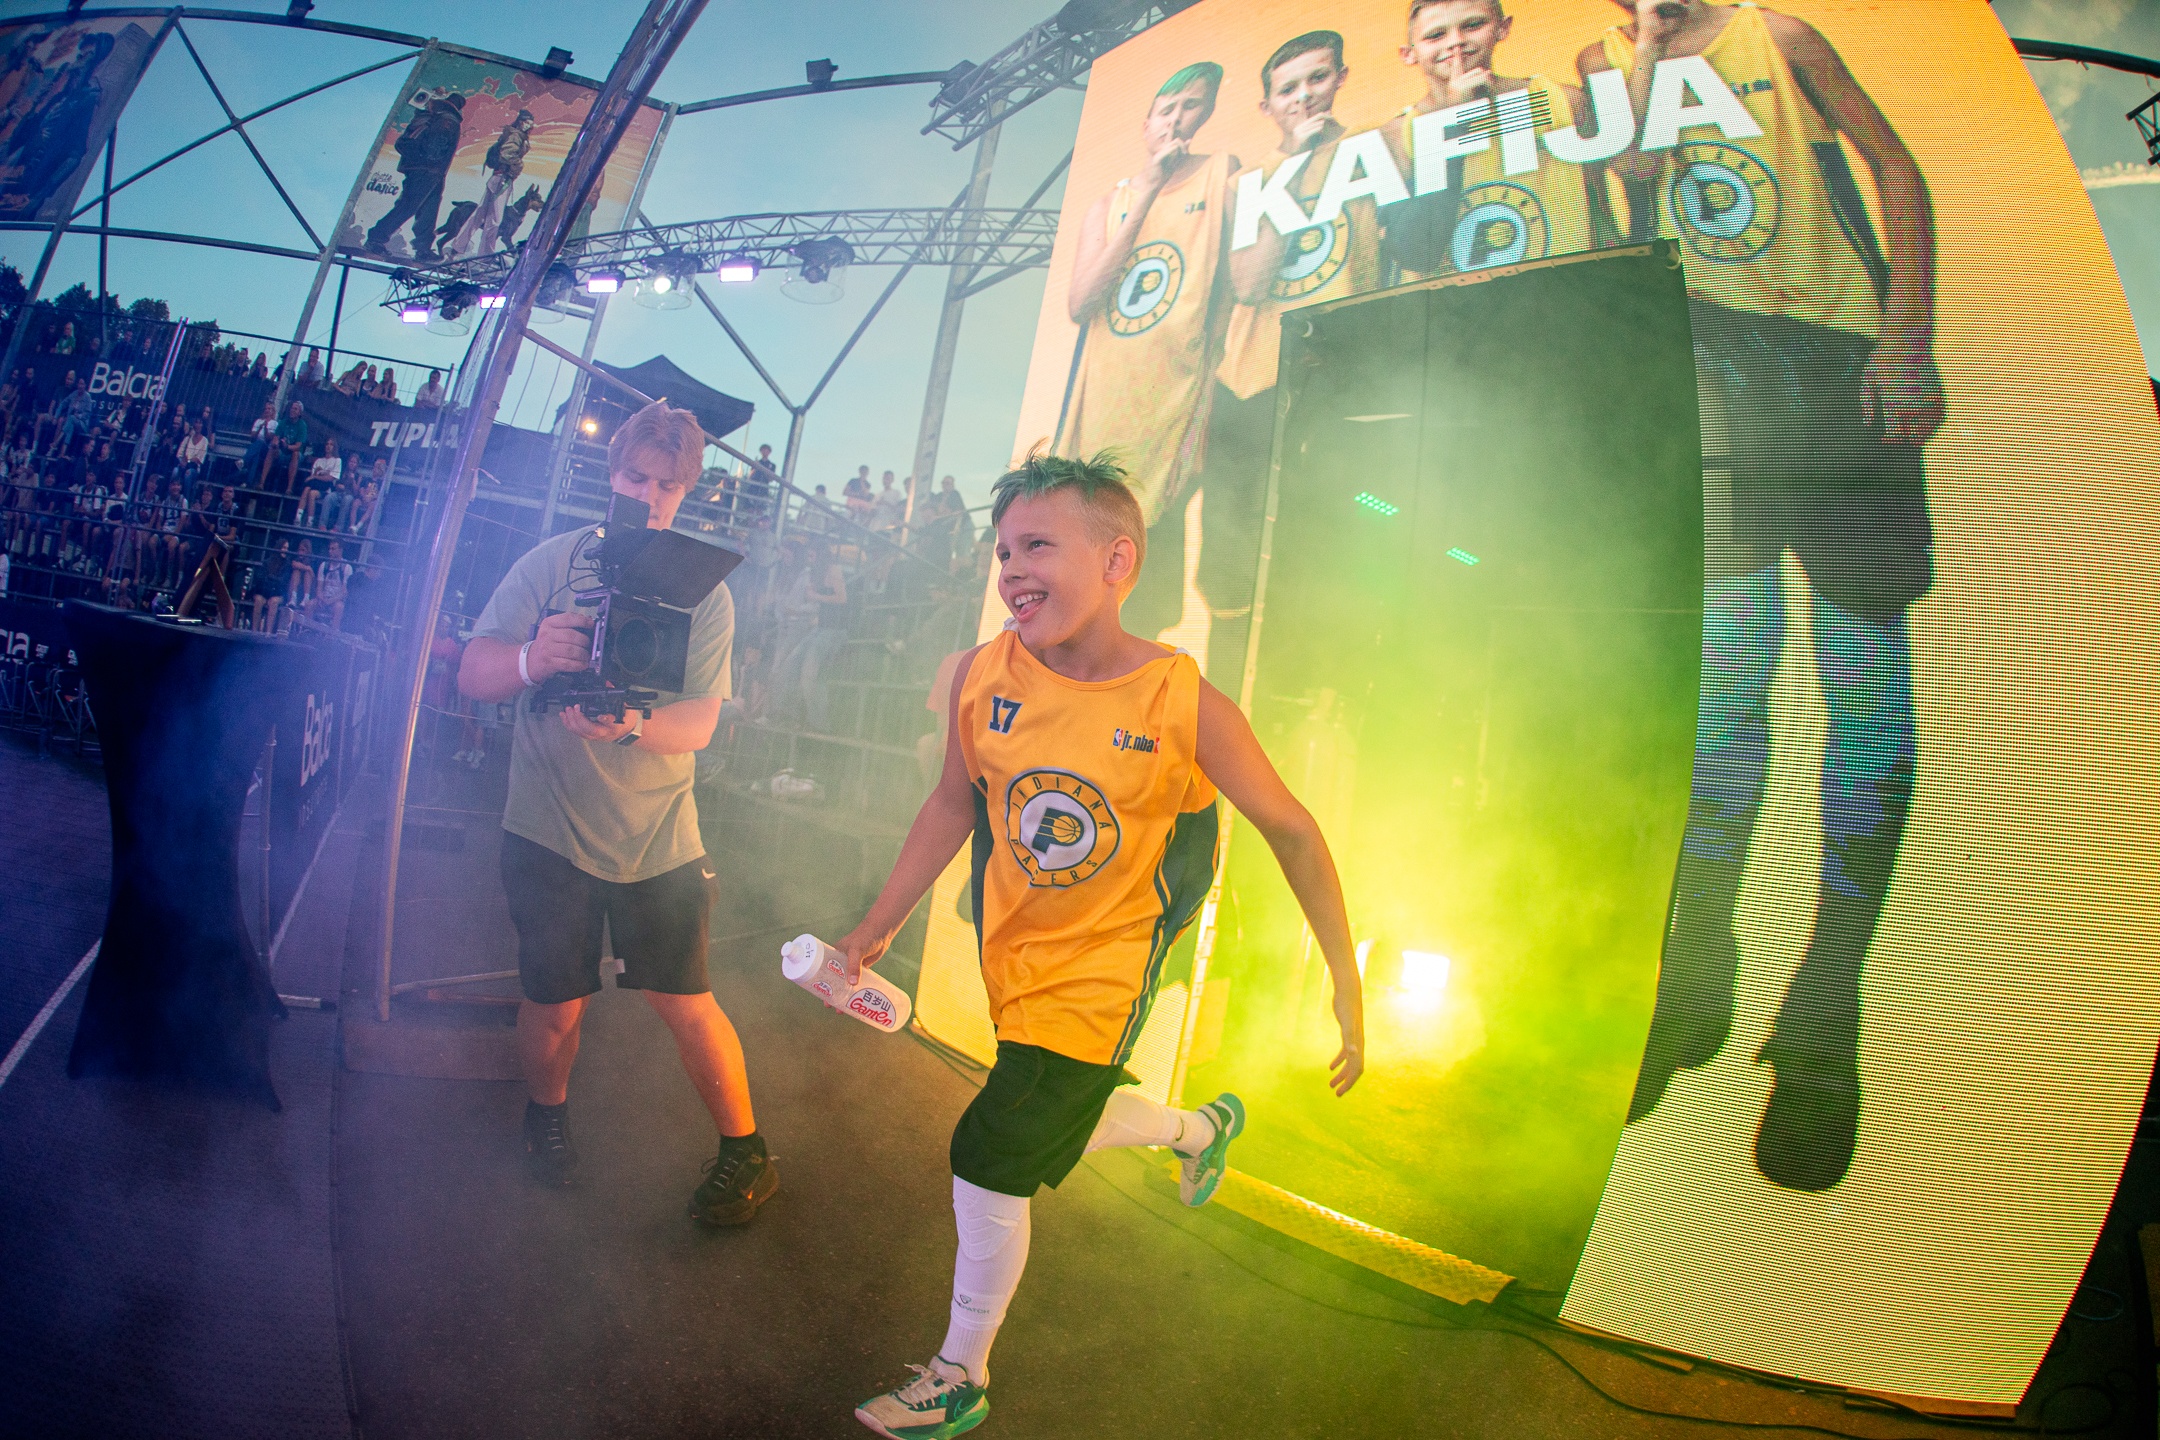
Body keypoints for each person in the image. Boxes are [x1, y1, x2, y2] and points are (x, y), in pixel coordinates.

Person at [843, 451, 1364, 1438]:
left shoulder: (1181, 702)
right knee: (1053, 1117)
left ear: (1118, 561)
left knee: (993, 1145)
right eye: (1004, 551)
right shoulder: (980, 676)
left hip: (1107, 972)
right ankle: (1199, 1132)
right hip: (1018, 955)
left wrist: (1345, 980)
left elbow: (1293, 831)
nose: (1012, 570)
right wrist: (878, 925)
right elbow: (952, 802)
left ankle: (960, 1377)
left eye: (1038, 545)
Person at [1584, 0, 1942, 1194]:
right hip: (1711, 393)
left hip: (1836, 372)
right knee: (1725, 707)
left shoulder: (1777, 37)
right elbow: (1633, 181)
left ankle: (1825, 1011)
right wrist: (1644, 47)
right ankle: (1696, 973)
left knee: (1865, 699)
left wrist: (1907, 333)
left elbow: (1897, 171)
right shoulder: (1605, 62)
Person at [457, 399, 775, 1223]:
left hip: (659, 833)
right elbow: (474, 672)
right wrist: (534, 659)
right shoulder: (549, 563)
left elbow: (698, 725)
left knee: (686, 1000)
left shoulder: (705, 592)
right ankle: (546, 1120)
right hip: (548, 823)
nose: (650, 496)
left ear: (688, 489)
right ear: (612, 472)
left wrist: (629, 725)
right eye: (637, 477)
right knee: (554, 998)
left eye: (668, 485)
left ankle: (747, 1151)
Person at [1201, 29, 1386, 681]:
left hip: (1340, 385)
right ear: (1267, 106)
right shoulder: (1248, 182)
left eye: (1317, 78)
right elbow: (1250, 282)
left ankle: (1314, 693)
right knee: (1232, 571)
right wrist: (1299, 163)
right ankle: (1221, 704)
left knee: (1325, 554)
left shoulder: (1372, 153)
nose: (1304, 96)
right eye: (1288, 88)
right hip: (1250, 388)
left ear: (1341, 78)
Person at [1054, 62, 1241, 646]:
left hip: (1176, 404)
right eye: (1167, 109)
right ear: (1147, 123)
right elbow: (1082, 302)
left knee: (1150, 593)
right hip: (1106, 411)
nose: (1177, 120)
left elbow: (1235, 284)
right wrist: (1148, 193)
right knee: (1087, 573)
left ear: (1207, 113)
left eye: (1192, 106)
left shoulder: (1222, 173)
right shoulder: (1108, 204)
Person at [1380, 0, 1593, 282]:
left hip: (1564, 289)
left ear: (1503, 28)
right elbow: (1416, 253)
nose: (1456, 42)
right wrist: (1455, 122)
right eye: (1436, 35)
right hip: (1466, 304)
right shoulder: (1395, 134)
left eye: (1473, 25)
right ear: (1409, 54)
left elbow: (1601, 206)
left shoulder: (1562, 99)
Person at [365, 90, 465, 262]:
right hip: (429, 169)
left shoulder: (432, 114)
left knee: (428, 210)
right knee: (410, 206)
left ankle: (423, 249)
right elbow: (436, 144)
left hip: (428, 170)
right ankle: (377, 238)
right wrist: (432, 162)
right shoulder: (449, 119)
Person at [449, 108, 533, 258]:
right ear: (520, 122)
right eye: (527, 122)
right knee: (495, 220)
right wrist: (519, 165)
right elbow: (507, 154)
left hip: (497, 178)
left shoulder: (513, 134)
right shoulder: (516, 135)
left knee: (479, 215)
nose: (528, 125)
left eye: (530, 123)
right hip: (502, 179)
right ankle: (486, 254)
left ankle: (458, 245)